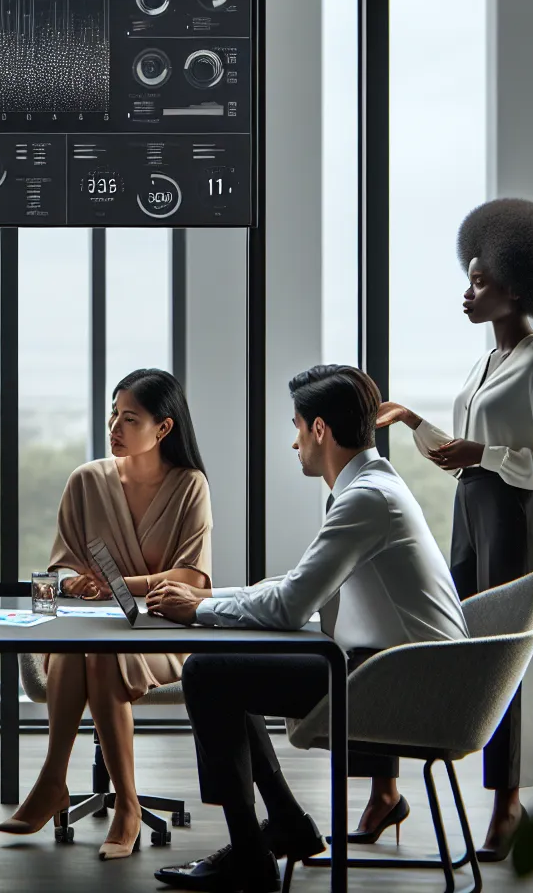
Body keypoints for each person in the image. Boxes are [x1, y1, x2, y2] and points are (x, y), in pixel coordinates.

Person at [144, 365, 468, 893]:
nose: (294, 442)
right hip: (401, 669)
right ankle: (284, 825)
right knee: (225, 671)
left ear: (320, 429)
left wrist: (199, 610)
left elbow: (291, 606)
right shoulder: (372, 487)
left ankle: (252, 856)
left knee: (208, 672)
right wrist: (204, 598)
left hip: (408, 684)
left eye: (296, 426)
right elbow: (295, 586)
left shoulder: (367, 499)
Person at [375, 197, 533, 859]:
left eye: (479, 282)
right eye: (468, 279)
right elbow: (459, 452)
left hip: (514, 518)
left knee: (510, 658)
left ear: (516, 288)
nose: (467, 294)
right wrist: (411, 420)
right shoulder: (485, 366)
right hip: (472, 509)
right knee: (430, 634)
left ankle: (509, 805)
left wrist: (487, 456)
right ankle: (387, 790)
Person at [0, 368, 212, 860]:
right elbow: (62, 564)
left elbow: (193, 581)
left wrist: (117, 589)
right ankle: (67, 785)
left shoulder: (190, 487)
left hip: (161, 631)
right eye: (112, 414)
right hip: (89, 626)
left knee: (95, 650)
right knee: (84, 646)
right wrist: (75, 582)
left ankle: (116, 803)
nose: (113, 426)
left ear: (163, 429)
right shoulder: (86, 480)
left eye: (128, 417)